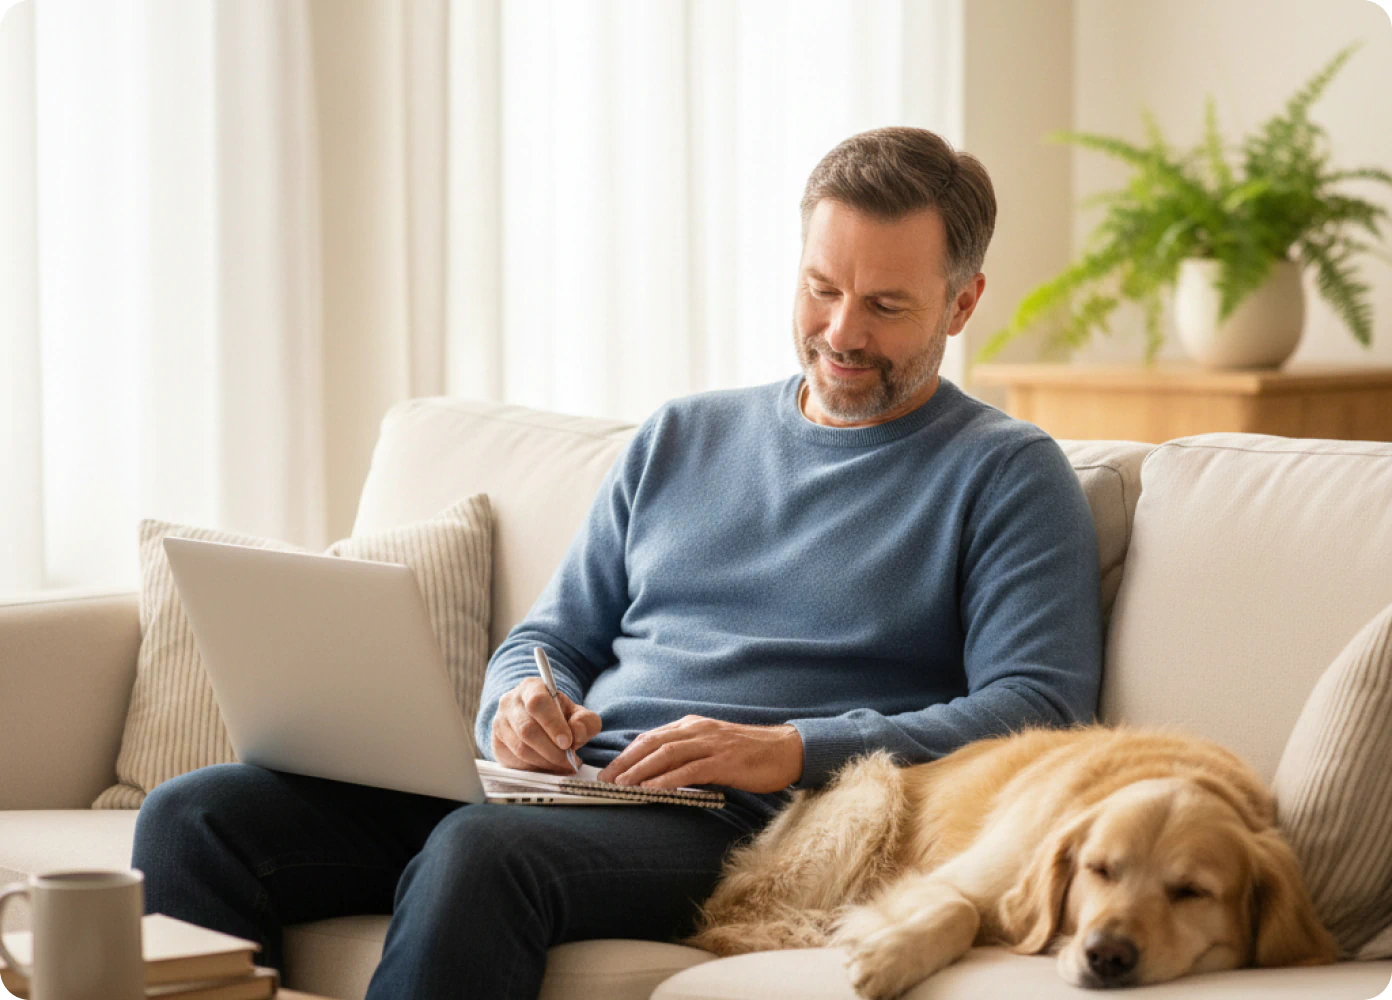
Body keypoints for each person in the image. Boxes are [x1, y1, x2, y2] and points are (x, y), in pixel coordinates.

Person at [131, 126, 1103, 1000]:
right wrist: (519, 701)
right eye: (821, 288)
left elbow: (1039, 706)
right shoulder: (682, 435)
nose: (842, 333)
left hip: (742, 820)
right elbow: (549, 636)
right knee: (197, 815)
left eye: (887, 305)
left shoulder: (1006, 472)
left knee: (482, 853)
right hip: (561, 789)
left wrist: (790, 747)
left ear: (963, 301)